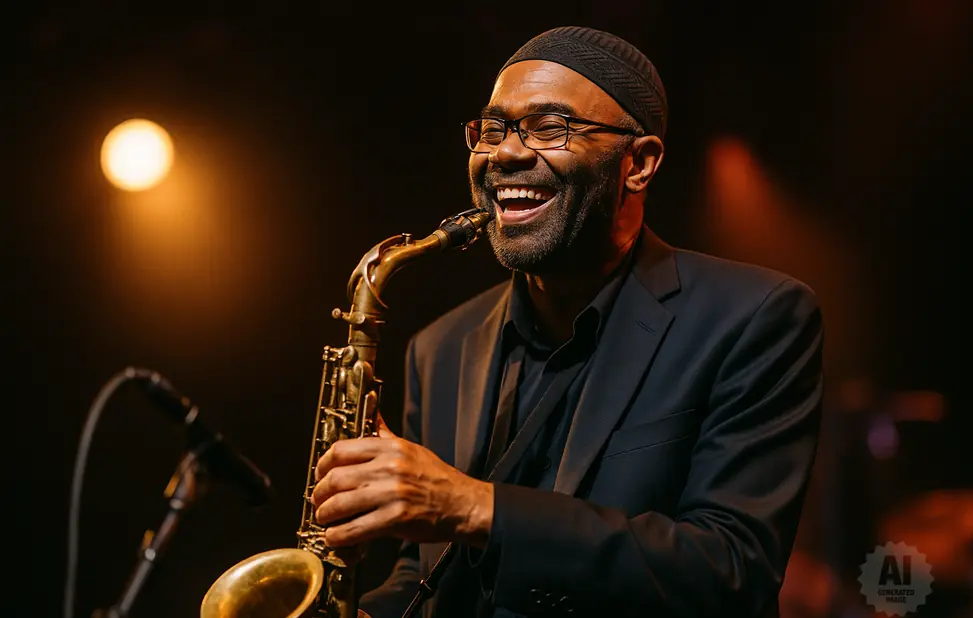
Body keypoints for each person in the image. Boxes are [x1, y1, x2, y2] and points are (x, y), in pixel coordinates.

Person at [309, 26, 824, 618]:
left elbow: (731, 571)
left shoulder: (755, 316)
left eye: (550, 127)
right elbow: (428, 569)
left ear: (639, 163)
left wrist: (478, 507)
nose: (505, 153)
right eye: (493, 129)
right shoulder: (439, 345)